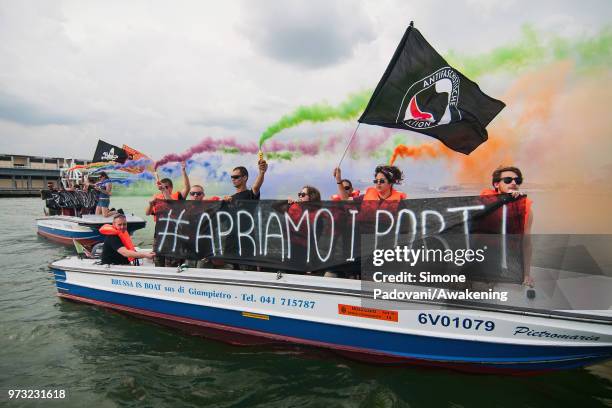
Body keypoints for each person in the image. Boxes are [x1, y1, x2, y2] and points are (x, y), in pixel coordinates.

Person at [480, 165, 533, 286]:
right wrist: (507, 200)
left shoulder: (525, 209)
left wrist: (526, 274)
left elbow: (526, 244)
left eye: (517, 181)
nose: (514, 183)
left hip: (508, 263)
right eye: (508, 180)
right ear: (496, 184)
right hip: (482, 259)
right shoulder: (484, 199)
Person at [145, 161, 190, 267]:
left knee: (172, 264)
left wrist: (183, 171)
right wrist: (151, 204)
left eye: (165, 187)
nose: (163, 189)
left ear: (170, 188)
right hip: (159, 235)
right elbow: (148, 213)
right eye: (161, 187)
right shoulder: (157, 198)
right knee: (158, 262)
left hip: (173, 235)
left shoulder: (178, 196)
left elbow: (187, 187)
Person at [334, 165, 407, 201]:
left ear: (390, 183)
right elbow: (345, 199)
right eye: (376, 181)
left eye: (381, 181)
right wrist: (338, 179)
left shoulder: (400, 202)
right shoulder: (366, 197)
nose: (378, 183)